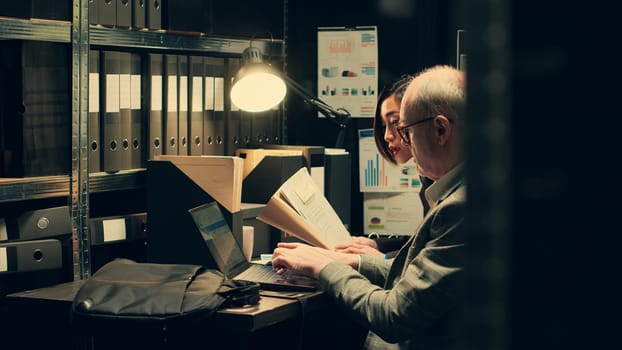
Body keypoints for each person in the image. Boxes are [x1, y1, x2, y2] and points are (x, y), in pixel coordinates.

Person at [271, 64, 467, 349]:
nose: (400, 141)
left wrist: (326, 267)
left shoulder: (460, 208)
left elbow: (395, 314)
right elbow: (419, 284)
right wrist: (355, 262)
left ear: (440, 129)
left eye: (406, 131)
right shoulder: (457, 194)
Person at [336, 74, 434, 258]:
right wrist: (377, 244)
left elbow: (431, 253)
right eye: (383, 126)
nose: (388, 135)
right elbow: (424, 242)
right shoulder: (428, 176)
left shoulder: (443, 182)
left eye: (395, 122)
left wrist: (383, 258)